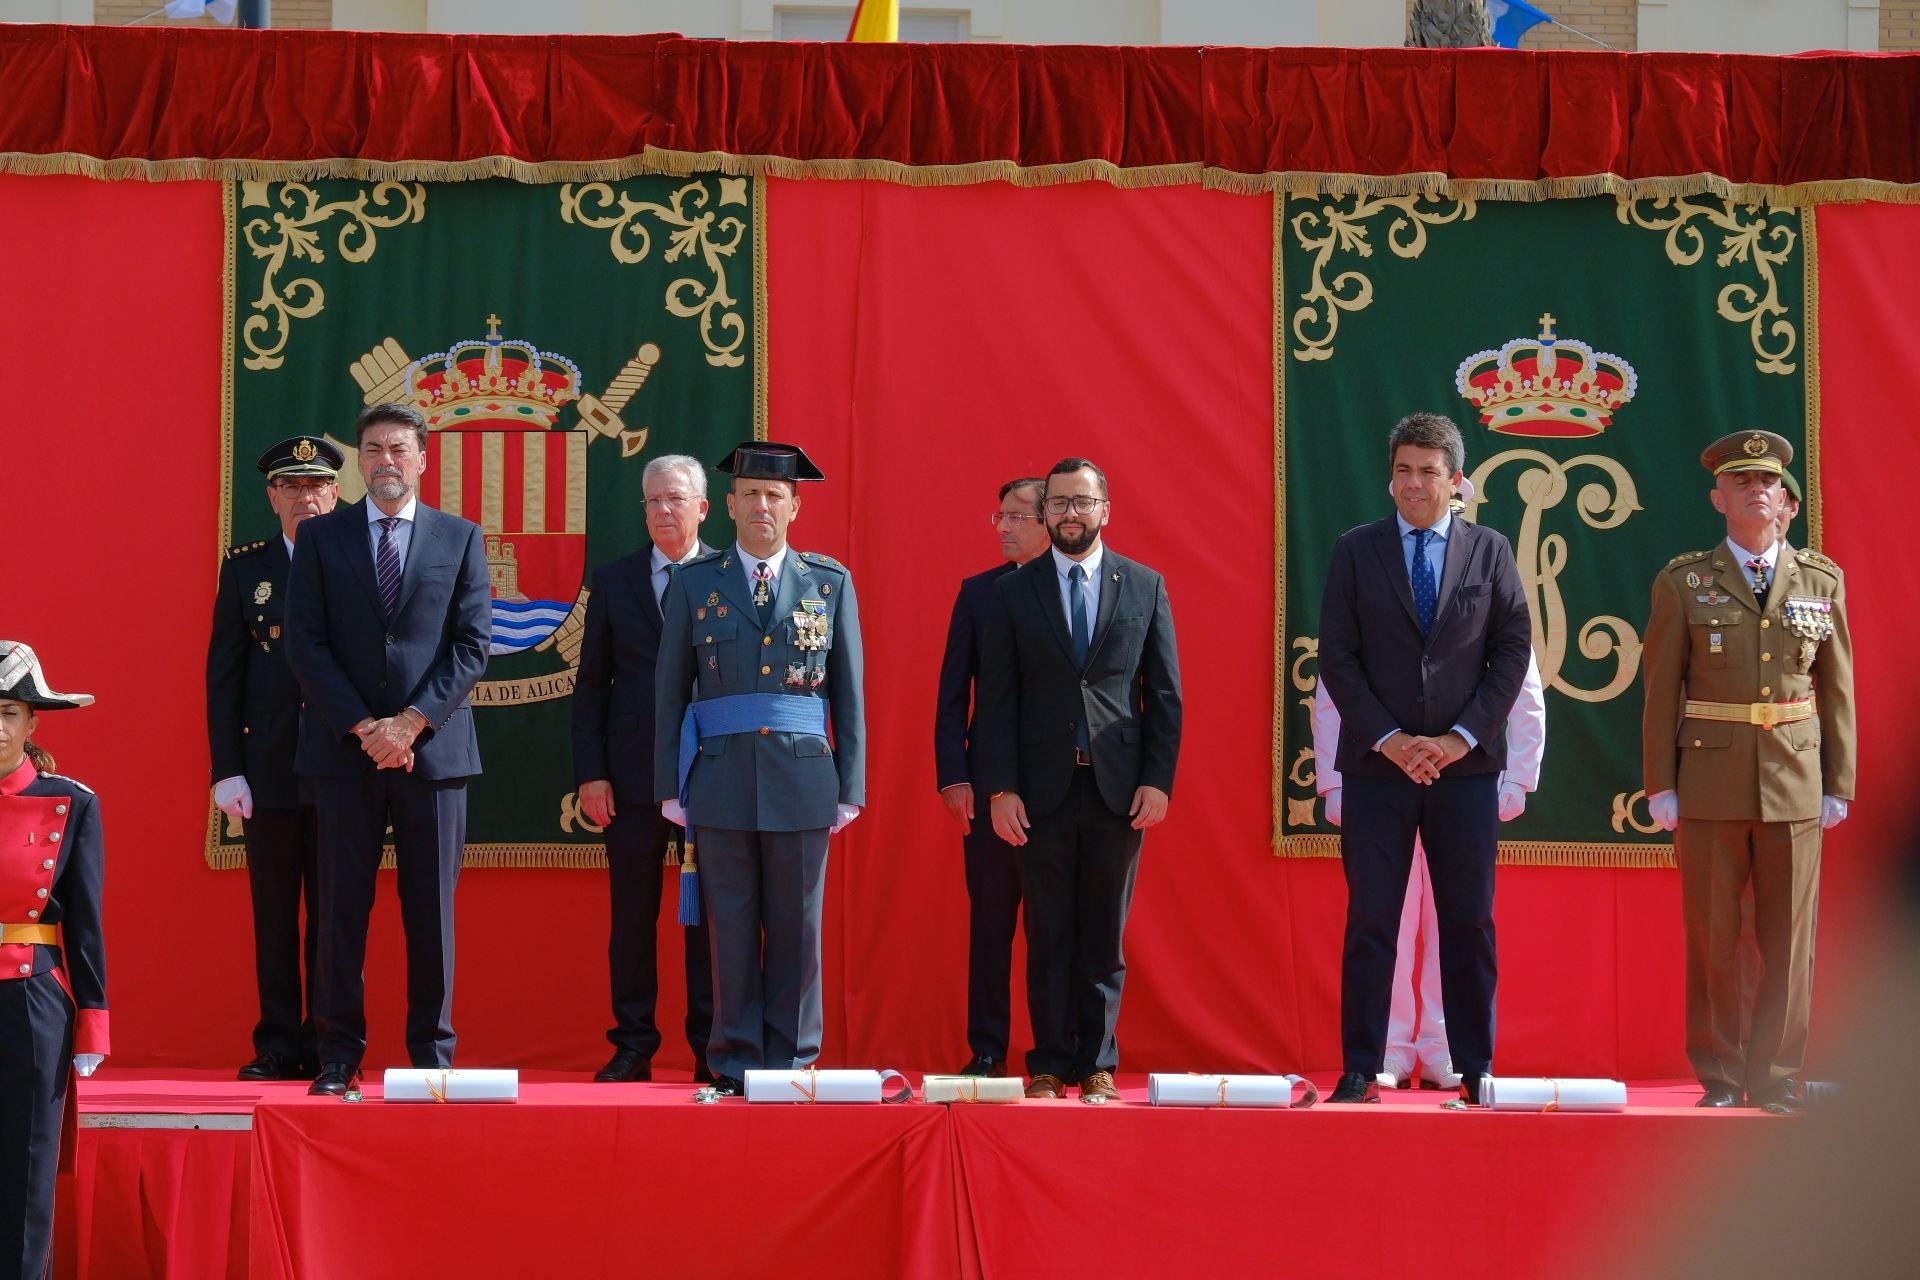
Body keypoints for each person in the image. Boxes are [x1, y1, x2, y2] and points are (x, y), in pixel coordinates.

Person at [1317, 412, 1532, 1105]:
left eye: (1429, 471)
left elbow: (1510, 652)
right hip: (1378, 767)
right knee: (1372, 919)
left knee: (1468, 920)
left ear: (1456, 481)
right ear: (1391, 477)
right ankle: (1360, 1063)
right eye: (1404, 470)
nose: (1415, 483)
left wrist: (1457, 739)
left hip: (1464, 769)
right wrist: (1391, 738)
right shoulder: (1357, 550)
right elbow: (1338, 657)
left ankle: (1475, 1068)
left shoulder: (1491, 550)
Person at [1641, 430, 1855, 1112]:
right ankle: (1724, 1075)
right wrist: (1661, 782)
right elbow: (1660, 689)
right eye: (1741, 481)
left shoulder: (1822, 581)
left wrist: (1838, 782)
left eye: (1769, 483)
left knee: (1788, 939)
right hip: (1710, 776)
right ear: (1718, 498)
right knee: (1714, 936)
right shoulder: (1684, 583)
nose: (1757, 490)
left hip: (1794, 777)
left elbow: (1838, 687)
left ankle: (1777, 1073)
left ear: (1788, 505)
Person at [284, 402, 490, 1097]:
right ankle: (338, 1056)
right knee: (341, 909)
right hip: (344, 756)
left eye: (398, 449)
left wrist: (410, 723)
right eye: (372, 449)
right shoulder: (322, 538)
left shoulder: (460, 538)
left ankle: (431, 1055)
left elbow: (471, 646)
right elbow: (304, 643)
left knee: (430, 911)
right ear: (359, 461)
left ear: (423, 459)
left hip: (433, 756)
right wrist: (366, 728)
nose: (385, 462)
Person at [653, 442, 864, 1096]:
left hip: (803, 778)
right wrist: (669, 785)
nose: (762, 506)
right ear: (729, 506)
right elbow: (668, 692)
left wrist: (851, 786)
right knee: (732, 931)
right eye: (750, 494)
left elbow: (850, 691)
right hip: (717, 779)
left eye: (775, 496)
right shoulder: (695, 583)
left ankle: (794, 1063)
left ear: (795, 507)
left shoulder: (829, 582)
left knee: (799, 930)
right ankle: (737, 1061)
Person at [981, 457, 1182, 1103]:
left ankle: (1096, 1065)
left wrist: (1157, 780)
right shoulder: (1013, 592)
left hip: (1117, 790)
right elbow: (997, 702)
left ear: (1105, 510)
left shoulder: (1145, 586)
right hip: (1037, 792)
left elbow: (1166, 696)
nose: (1071, 513)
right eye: (1060, 503)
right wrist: (1000, 789)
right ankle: (1046, 1064)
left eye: (1083, 502)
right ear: (1046, 514)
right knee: (1046, 933)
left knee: (1103, 935)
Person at [572, 453, 717, 1083]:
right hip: (630, 779)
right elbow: (591, 686)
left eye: (675, 500)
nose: (663, 511)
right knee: (632, 917)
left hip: (714, 775)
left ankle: (714, 1043)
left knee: (711, 914)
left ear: (703, 508)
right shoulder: (615, 579)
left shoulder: (727, 576)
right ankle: (633, 1044)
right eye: (652, 501)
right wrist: (591, 772)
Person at [205, 434, 342, 1082]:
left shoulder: (358, 561)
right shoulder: (247, 569)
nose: (304, 497)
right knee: (275, 915)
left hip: (343, 767)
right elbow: (224, 677)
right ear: (271, 497)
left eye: (316, 486)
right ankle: (279, 1043)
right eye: (291, 487)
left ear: (336, 493)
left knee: (335, 915)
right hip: (268, 770)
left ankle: (332, 1046)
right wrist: (226, 768)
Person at [934, 476, 1050, 1078]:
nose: (1004, 527)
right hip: (986, 790)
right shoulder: (978, 594)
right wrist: (954, 776)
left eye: (1017, 516)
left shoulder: (1074, 589)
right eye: (998, 516)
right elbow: (953, 693)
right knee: (990, 925)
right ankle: (986, 1050)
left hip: (1062, 788)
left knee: (1057, 928)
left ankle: (1060, 1056)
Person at [0, 642, 106, 1280]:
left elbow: (86, 922)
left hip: (31, 996)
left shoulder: (72, 802)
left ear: (33, 723)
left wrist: (94, 1016)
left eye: (10, 712)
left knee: (29, 1167)